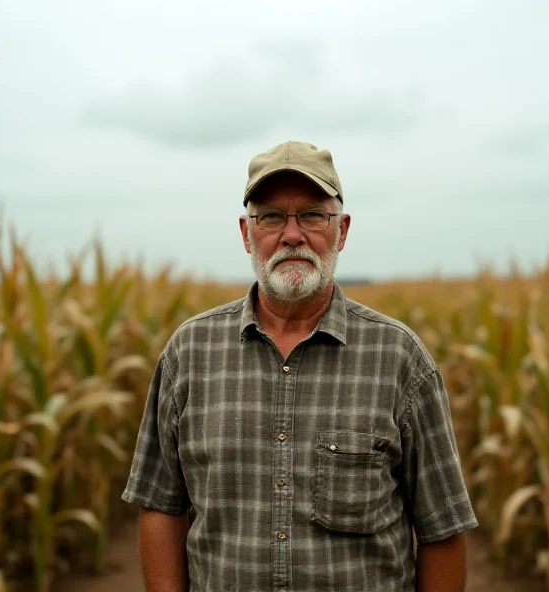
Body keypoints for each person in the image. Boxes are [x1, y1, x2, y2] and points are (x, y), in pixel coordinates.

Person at [121, 140, 478, 592]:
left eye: (312, 215)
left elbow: (441, 528)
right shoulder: (189, 353)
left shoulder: (400, 359)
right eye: (270, 216)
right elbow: (160, 505)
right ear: (247, 233)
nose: (292, 234)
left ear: (342, 231)